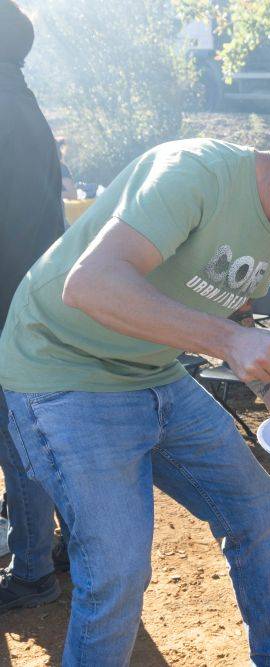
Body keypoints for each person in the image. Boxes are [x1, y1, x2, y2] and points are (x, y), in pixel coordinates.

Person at [0, 74, 270, 663]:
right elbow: (91, 283)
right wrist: (228, 342)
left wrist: (265, 384)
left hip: (151, 373)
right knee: (119, 571)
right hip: (63, 371)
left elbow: (230, 300)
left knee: (254, 508)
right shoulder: (196, 171)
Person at [0, 0, 72, 615]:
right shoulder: (25, 106)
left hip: (7, 308)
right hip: (32, 302)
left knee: (17, 443)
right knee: (39, 439)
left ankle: (31, 569)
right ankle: (62, 549)